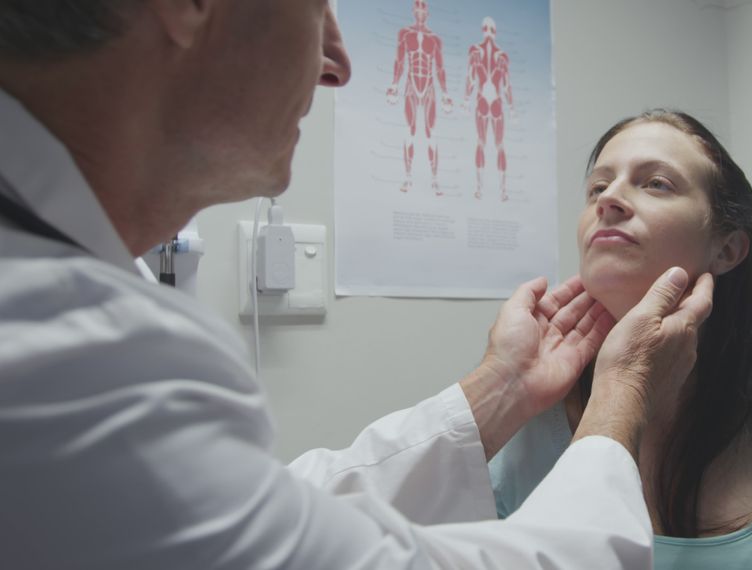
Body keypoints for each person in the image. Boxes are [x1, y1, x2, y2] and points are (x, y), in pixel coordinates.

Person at [0, 3, 715, 569]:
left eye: (656, 183)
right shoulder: (61, 349)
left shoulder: (57, 295)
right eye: (319, 7)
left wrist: (499, 389)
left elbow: (270, 514)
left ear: (730, 245)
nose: (338, 63)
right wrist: (623, 397)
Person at [490, 110, 752, 569]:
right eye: (597, 187)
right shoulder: (527, 413)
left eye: (655, 183)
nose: (608, 199)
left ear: (727, 249)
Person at [386, 0, 453, 196]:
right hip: (411, 86)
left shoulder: (435, 39)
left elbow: (440, 67)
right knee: (410, 131)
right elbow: (399, 60)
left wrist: (446, 93)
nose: (421, 10)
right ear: (413, 10)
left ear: (428, 12)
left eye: (424, 6)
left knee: (432, 133)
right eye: (418, 5)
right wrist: (394, 85)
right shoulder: (405, 34)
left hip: (429, 87)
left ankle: (434, 180)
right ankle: (408, 178)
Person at [464, 16, 514, 202]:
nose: (488, 33)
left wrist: (512, 107)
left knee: (496, 145)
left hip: (493, 102)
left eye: (489, 29)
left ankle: (500, 190)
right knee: (482, 143)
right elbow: (470, 78)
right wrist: (467, 100)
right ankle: (481, 188)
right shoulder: (478, 52)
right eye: (487, 28)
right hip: (486, 101)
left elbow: (506, 84)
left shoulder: (499, 56)